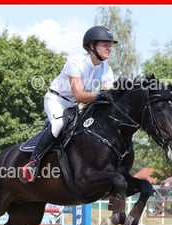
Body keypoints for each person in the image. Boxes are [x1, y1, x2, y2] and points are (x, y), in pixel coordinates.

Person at [20, 25, 117, 183]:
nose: (109, 48)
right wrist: (99, 95)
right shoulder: (76, 62)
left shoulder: (106, 69)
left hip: (77, 106)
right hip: (57, 100)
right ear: (92, 46)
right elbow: (79, 95)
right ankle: (33, 162)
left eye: (110, 45)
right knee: (59, 124)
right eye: (105, 44)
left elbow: (108, 96)